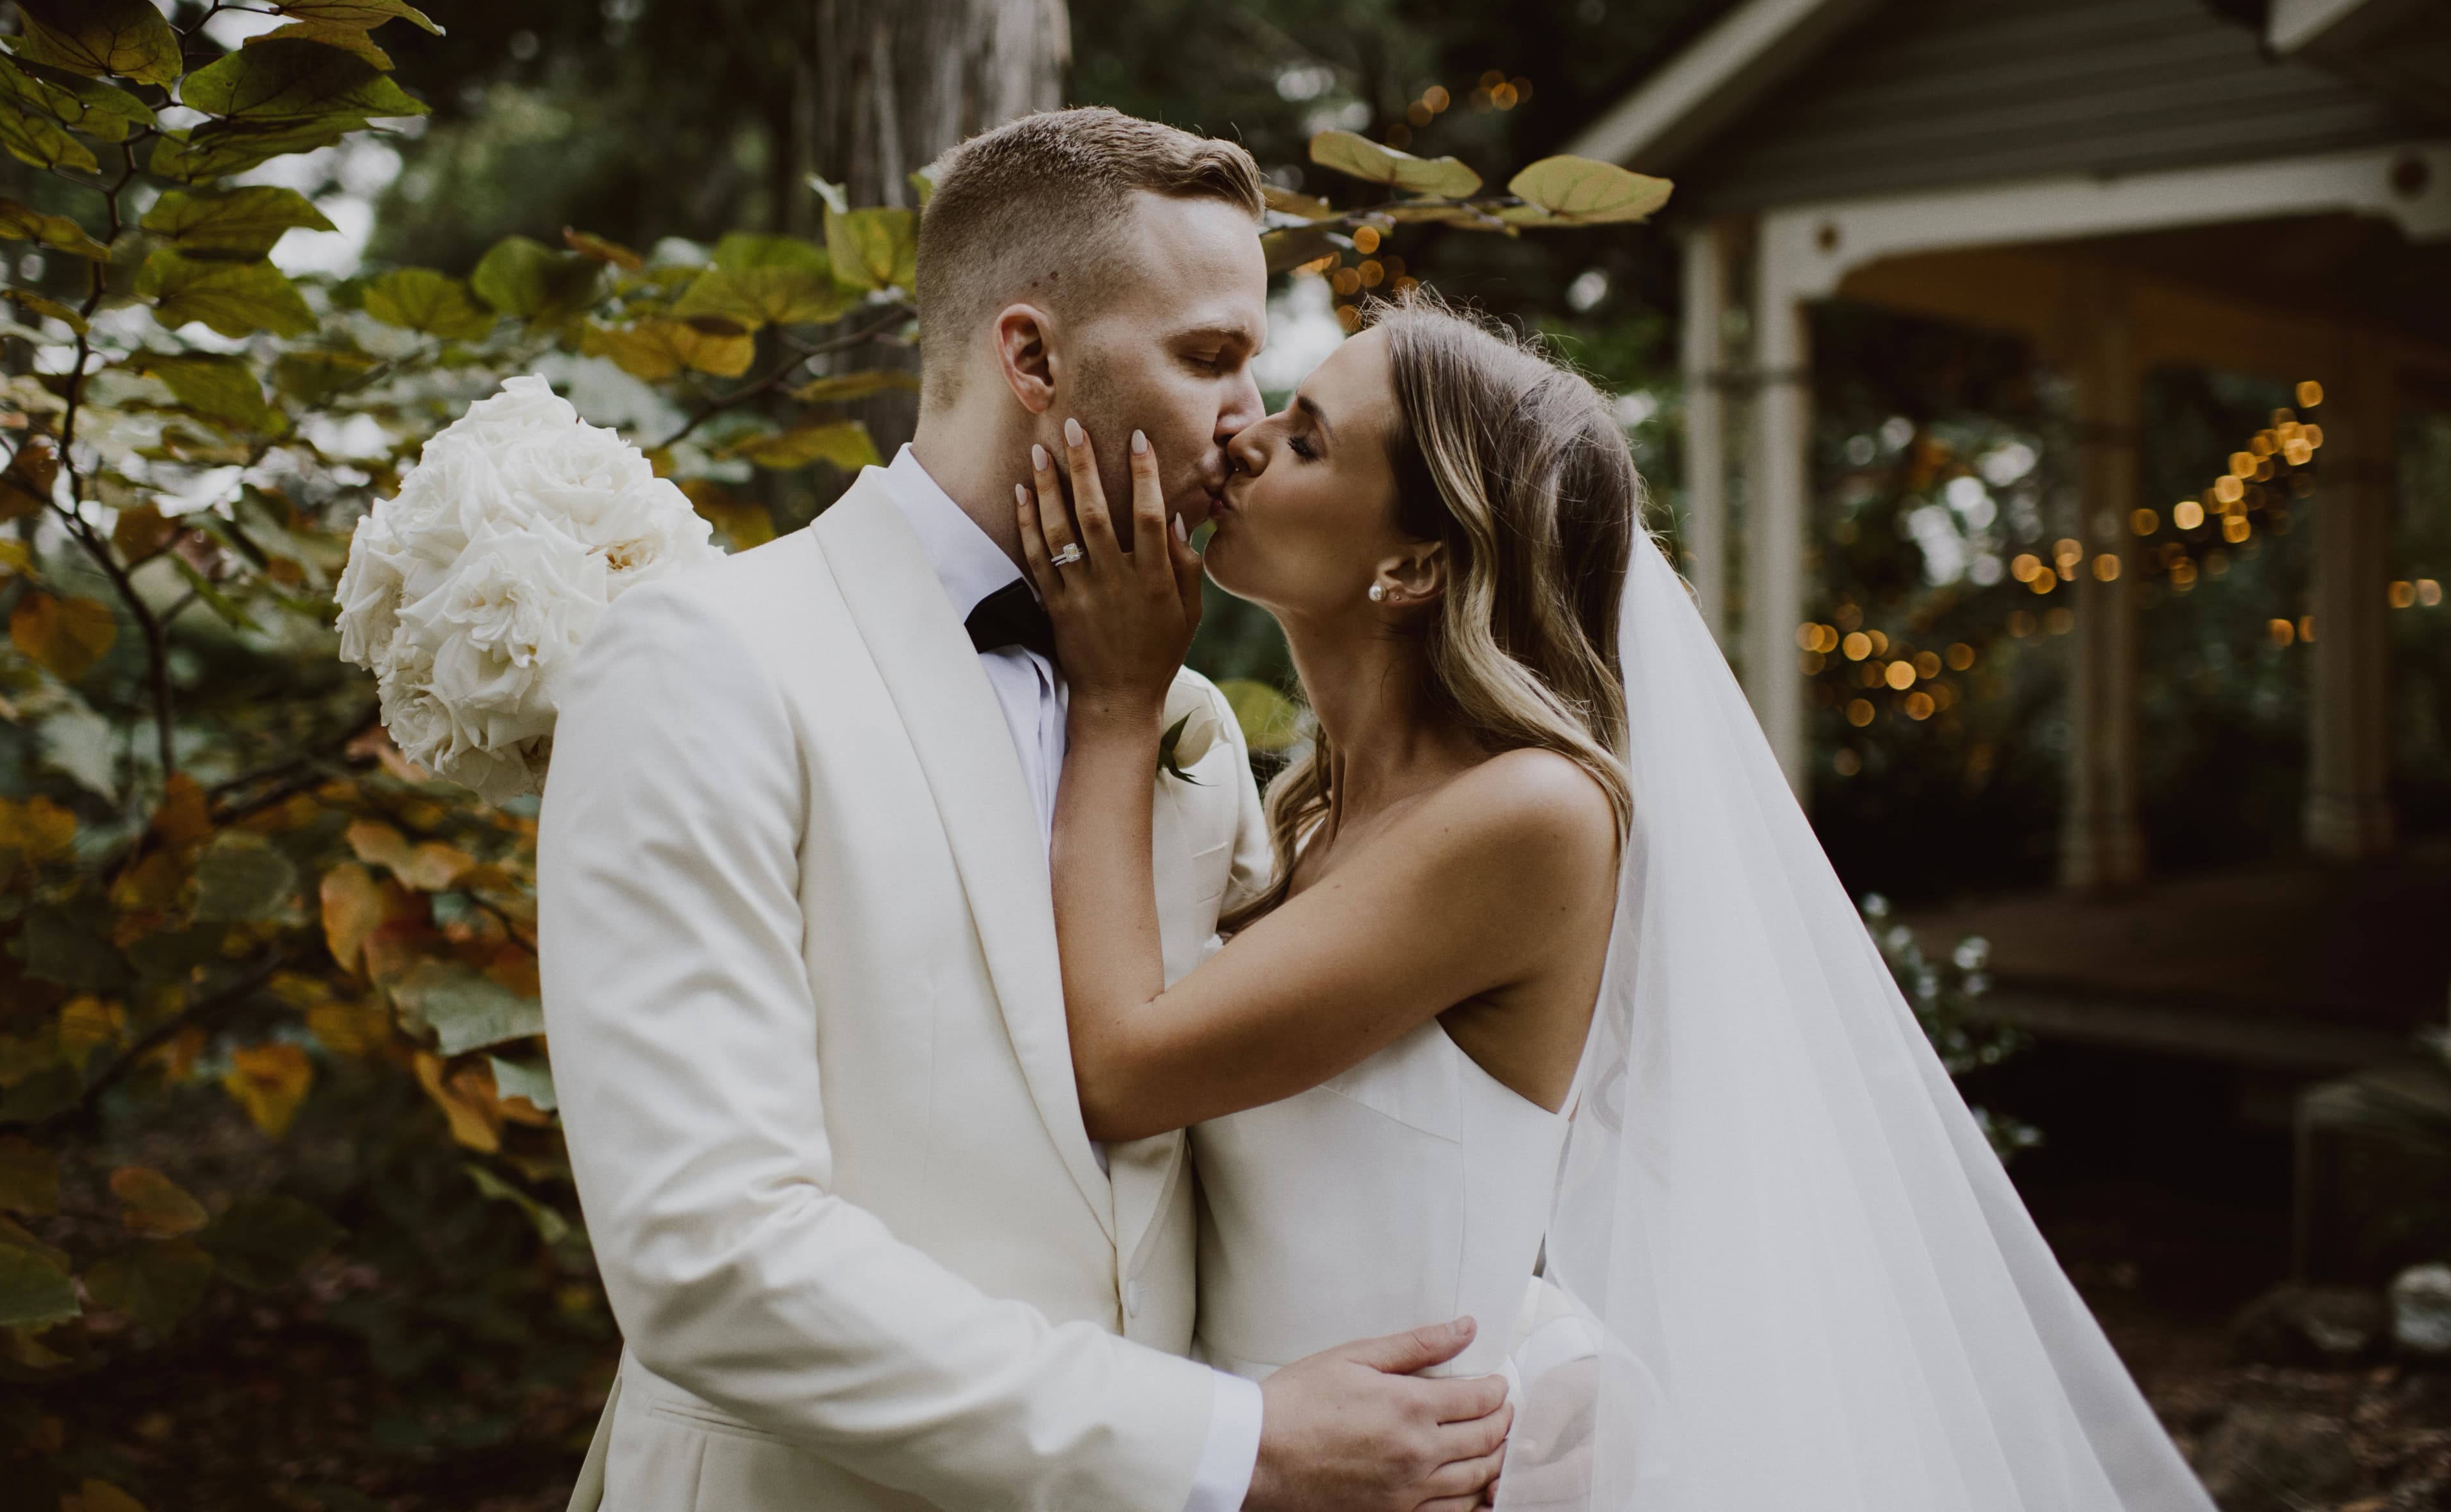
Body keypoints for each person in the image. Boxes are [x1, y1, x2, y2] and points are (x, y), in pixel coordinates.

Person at [1019, 292, 2221, 1510]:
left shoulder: (1528, 816)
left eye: (1311, 438)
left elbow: (1121, 1072)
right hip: (1261, 1457)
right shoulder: (1322, 815)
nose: (1245, 438)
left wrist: (1120, 696)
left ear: (1416, 564)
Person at [537, 113, 1511, 1512]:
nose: (1248, 427)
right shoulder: (707, 661)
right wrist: (1226, 1447)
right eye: (1210, 357)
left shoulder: (1189, 730)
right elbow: (712, 1259)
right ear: (1032, 357)